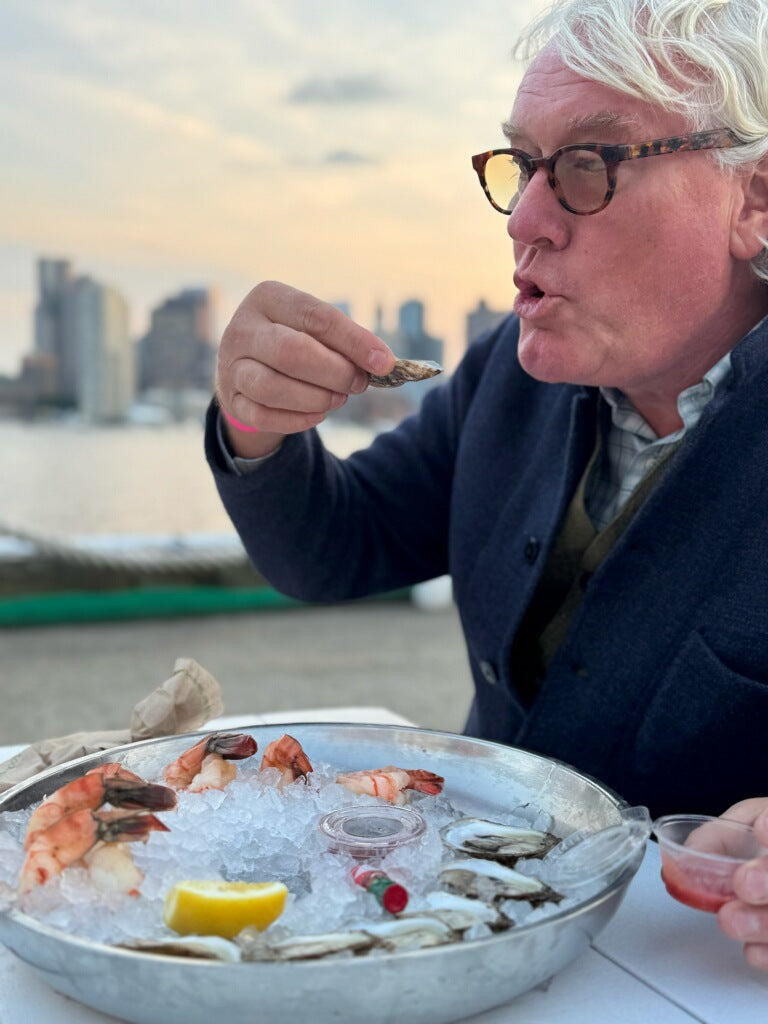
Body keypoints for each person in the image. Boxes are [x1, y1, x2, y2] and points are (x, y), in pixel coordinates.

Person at [205, 0, 768, 969]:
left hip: (689, 971)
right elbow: (334, 546)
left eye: (591, 166)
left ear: (754, 199)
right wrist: (255, 422)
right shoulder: (509, 375)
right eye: (523, 166)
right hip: (458, 931)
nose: (527, 219)